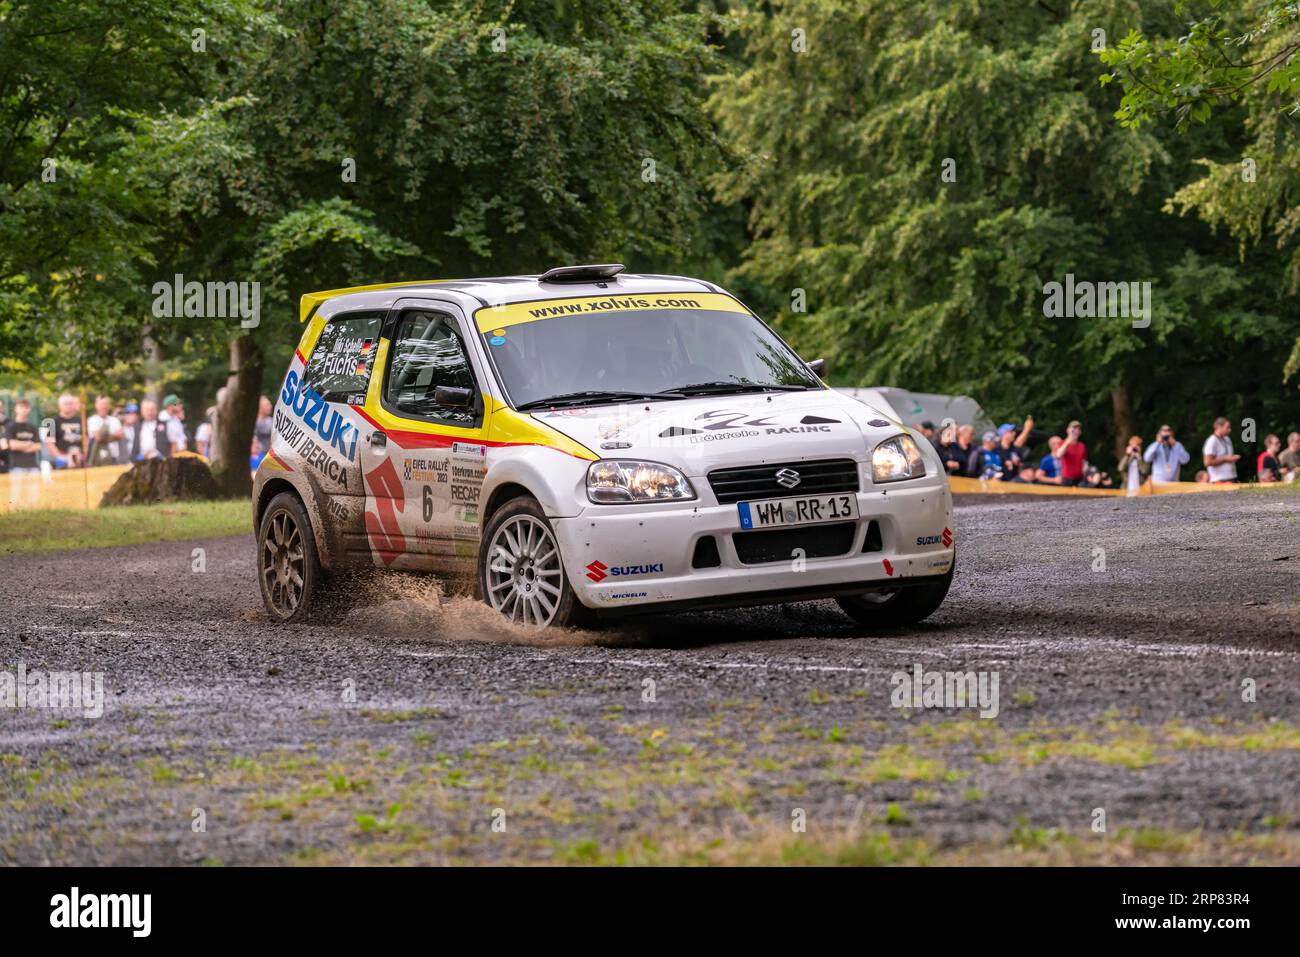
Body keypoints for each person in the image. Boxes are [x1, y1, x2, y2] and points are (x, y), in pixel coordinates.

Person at [4, 399, 43, 509]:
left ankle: (33, 514)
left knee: (33, 495)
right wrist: (28, 444)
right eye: (21, 407)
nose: (24, 410)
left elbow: (38, 446)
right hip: (16, 466)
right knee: (16, 495)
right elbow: (11, 445)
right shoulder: (11, 427)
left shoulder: (32, 427)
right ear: (16, 409)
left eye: (26, 407)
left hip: (32, 466)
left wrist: (21, 445)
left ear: (29, 409)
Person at [43, 393, 84, 468]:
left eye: (70, 403)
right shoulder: (52, 422)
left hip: (80, 459)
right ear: (60, 406)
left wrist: (83, 455)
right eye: (65, 404)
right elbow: (49, 443)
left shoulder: (80, 420)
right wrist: (61, 457)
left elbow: (86, 439)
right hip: (62, 460)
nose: (68, 406)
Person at [86, 394, 124, 466]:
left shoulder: (115, 420)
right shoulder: (92, 420)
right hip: (97, 459)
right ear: (96, 405)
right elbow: (98, 438)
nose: (104, 406)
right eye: (101, 404)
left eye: (106, 404)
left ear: (109, 406)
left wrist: (104, 436)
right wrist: (114, 436)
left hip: (113, 458)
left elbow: (120, 436)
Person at [1202, 416, 1239, 484]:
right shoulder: (1212, 441)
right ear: (1219, 427)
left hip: (1231, 477)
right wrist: (1225, 459)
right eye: (1227, 427)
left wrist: (1232, 458)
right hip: (1218, 480)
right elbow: (1207, 462)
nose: (1229, 430)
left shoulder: (1227, 439)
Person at [1056, 420, 1087, 486]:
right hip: (1067, 479)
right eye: (1073, 428)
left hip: (1080, 479)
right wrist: (1068, 442)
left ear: (1080, 432)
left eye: (1078, 429)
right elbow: (1058, 455)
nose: (1076, 431)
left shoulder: (1082, 445)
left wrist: (1085, 473)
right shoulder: (1062, 443)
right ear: (1068, 430)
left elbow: (1084, 461)